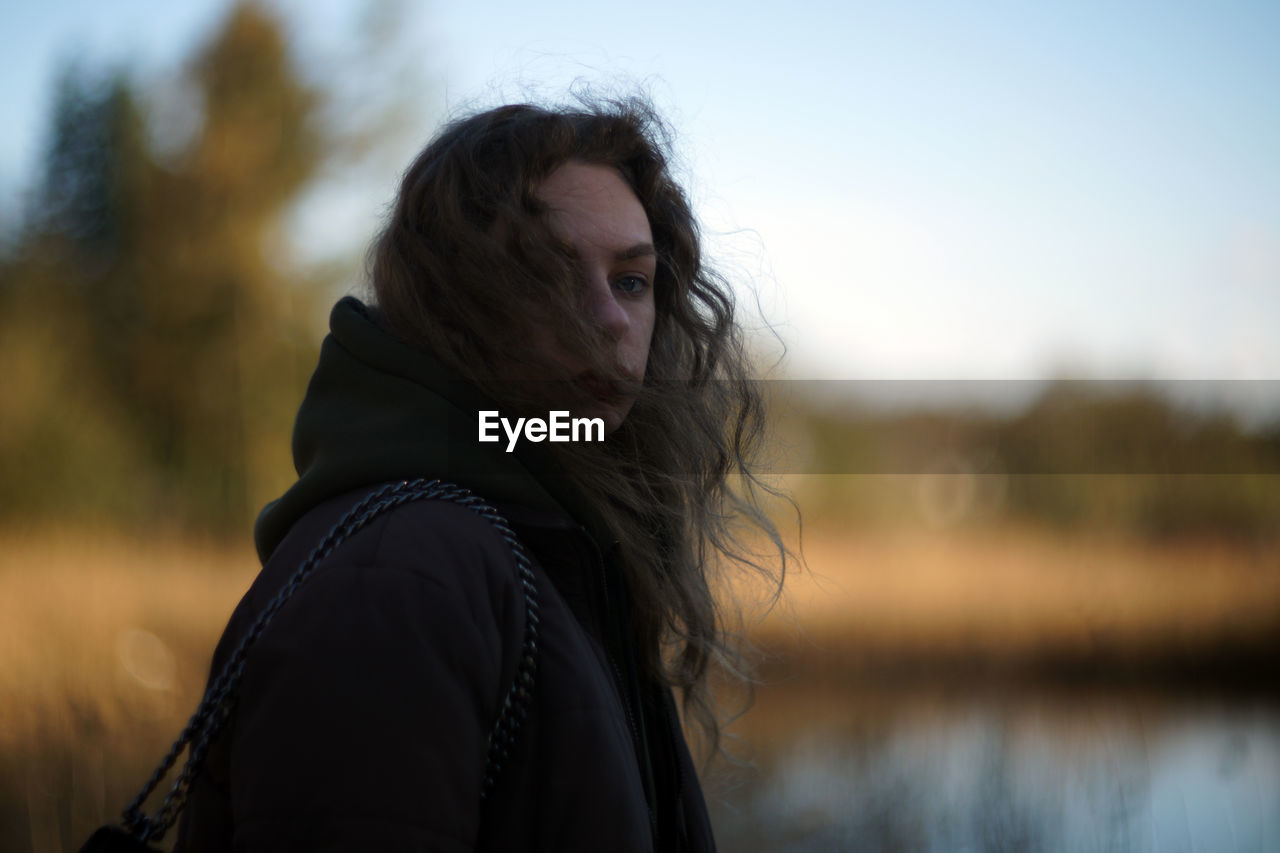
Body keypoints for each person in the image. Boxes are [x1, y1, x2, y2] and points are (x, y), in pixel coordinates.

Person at [173, 98, 787, 852]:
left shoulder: (550, 540)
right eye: (549, 273)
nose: (609, 318)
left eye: (631, 280)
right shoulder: (398, 577)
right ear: (450, 301)